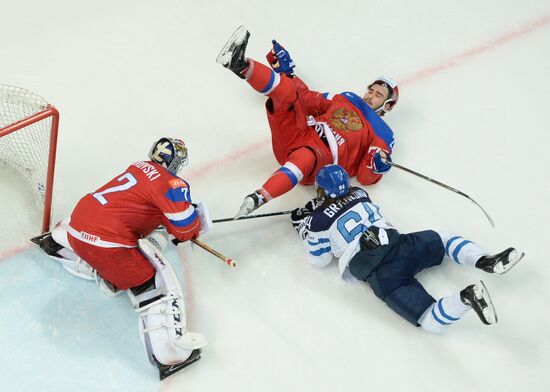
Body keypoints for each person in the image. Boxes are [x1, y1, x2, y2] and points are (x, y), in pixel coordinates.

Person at [31, 137, 211, 379]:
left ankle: (55, 242)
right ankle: (169, 354)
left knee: (89, 233)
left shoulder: (138, 166)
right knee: (153, 286)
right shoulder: (173, 183)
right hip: (107, 245)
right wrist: (193, 223)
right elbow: (184, 229)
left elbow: (138, 205)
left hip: (76, 226)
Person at [290, 164, 525, 333]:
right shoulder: (360, 193)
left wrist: (303, 227)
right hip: (401, 245)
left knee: (429, 320)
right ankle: (484, 260)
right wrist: (317, 208)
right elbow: (341, 204)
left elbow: (319, 261)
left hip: (382, 274)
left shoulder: (316, 222)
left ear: (320, 190)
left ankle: (466, 297)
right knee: (444, 239)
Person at [217, 26, 399, 218]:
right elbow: (305, 98)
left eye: (378, 95)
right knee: (287, 91)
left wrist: (376, 166)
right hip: (299, 133)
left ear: (387, 106)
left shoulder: (383, 134)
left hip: (320, 157)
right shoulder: (346, 98)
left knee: (306, 156)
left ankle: (258, 198)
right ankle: (239, 64)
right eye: (371, 90)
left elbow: (365, 177)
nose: (370, 96)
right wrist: (288, 73)